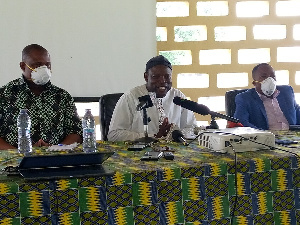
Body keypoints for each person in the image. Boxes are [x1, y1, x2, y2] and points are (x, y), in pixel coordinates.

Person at [0, 44, 82, 150]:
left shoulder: (62, 96)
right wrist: (21, 154)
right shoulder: (4, 95)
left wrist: (56, 148)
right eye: (37, 65)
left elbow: (76, 132)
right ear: (23, 66)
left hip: (55, 160)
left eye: (47, 65)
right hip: (15, 162)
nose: (43, 70)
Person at [107, 55, 197, 141]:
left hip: (173, 153)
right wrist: (153, 136)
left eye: (167, 76)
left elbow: (192, 128)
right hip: (139, 154)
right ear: (146, 77)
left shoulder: (178, 96)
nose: (162, 81)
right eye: (156, 77)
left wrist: (174, 133)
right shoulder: (130, 97)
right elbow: (114, 135)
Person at [234, 63, 300, 130]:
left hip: (293, 137)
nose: (270, 80)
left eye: (272, 76)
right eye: (264, 76)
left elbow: (297, 111)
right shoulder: (244, 98)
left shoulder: (286, 91)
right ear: (255, 83)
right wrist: (263, 135)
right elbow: (241, 122)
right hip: (267, 138)